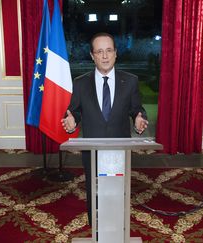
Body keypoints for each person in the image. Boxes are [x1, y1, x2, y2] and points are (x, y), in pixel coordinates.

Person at [61, 32, 148, 225]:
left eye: (109, 50)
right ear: (92, 56)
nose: (105, 56)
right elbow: (74, 111)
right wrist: (71, 121)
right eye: (99, 52)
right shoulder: (81, 83)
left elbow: (136, 109)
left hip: (119, 147)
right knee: (94, 190)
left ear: (116, 53)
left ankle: (117, 225)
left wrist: (139, 119)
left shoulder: (130, 81)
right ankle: (96, 229)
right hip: (92, 150)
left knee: (118, 190)